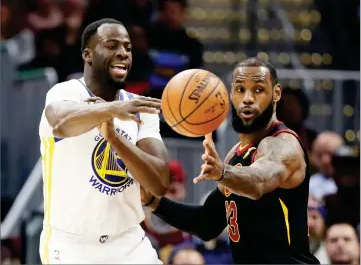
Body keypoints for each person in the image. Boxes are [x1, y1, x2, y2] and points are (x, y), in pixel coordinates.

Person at [142, 57, 320, 264]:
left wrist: (222, 173)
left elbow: (258, 182)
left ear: (276, 94)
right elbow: (206, 224)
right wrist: (152, 201)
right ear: (230, 95)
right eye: (240, 89)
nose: (248, 98)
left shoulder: (284, 145)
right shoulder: (236, 153)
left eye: (259, 90)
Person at [39, 18, 170, 264]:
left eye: (128, 48)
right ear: (88, 55)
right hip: (71, 245)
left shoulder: (141, 108)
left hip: (128, 242)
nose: (122, 53)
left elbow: (160, 183)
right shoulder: (65, 92)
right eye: (111, 46)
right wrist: (112, 110)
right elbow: (61, 124)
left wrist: (115, 138)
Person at [309, 131, 344, 201]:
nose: (325, 161)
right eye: (320, 155)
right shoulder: (309, 184)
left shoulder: (349, 182)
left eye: (330, 154)